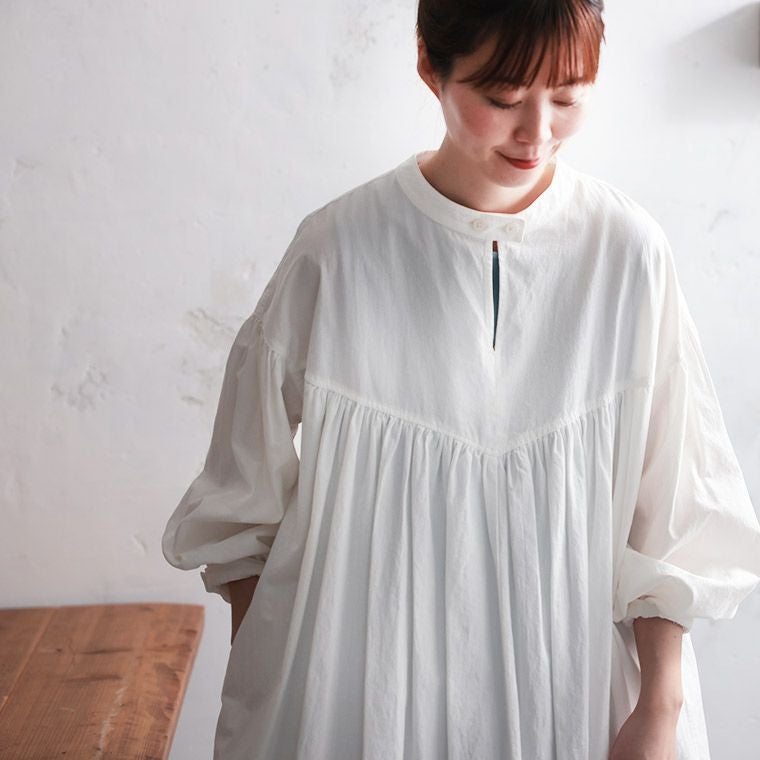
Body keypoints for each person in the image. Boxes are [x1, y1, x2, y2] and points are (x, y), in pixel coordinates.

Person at [161, 1, 760, 758]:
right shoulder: (337, 252)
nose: (536, 132)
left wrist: (660, 711)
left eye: (567, 96)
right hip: (357, 704)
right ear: (429, 65)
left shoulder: (628, 255)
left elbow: (679, 512)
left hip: (580, 701)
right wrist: (277, 683)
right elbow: (238, 503)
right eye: (503, 98)